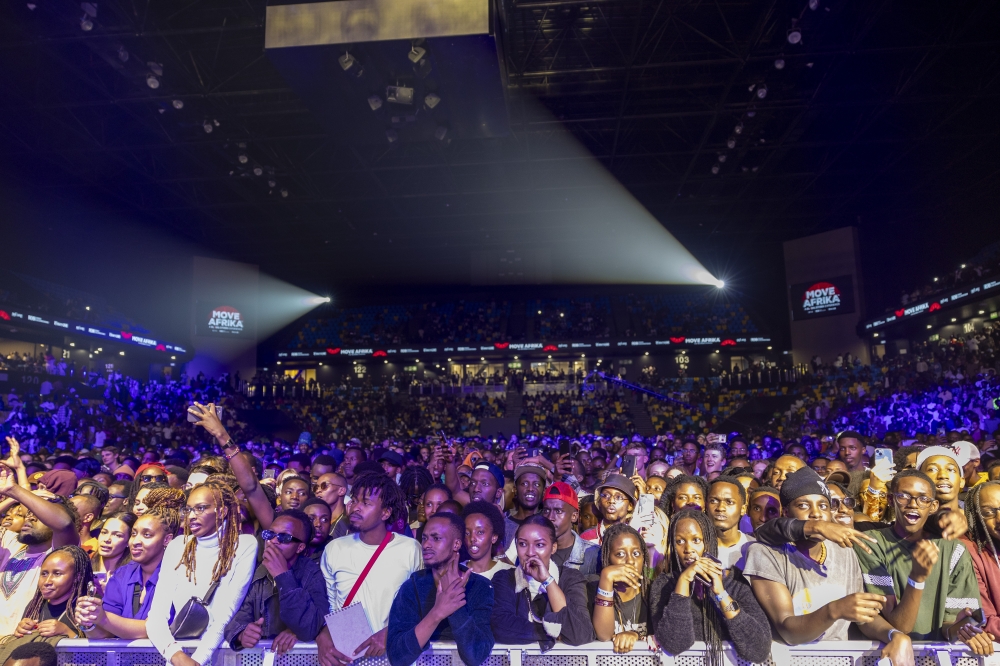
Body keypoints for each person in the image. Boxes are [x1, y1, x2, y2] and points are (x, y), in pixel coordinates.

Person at [743, 467, 912, 665]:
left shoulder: (843, 551)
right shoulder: (766, 553)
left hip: (837, 660)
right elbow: (788, 631)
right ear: (786, 512)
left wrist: (894, 635)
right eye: (804, 505)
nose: (816, 514)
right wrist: (835, 610)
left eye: (823, 506)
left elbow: (862, 616)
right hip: (785, 660)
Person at [854, 470, 987, 651]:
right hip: (885, 655)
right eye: (904, 496)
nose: (913, 504)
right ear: (891, 500)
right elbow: (899, 626)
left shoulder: (954, 549)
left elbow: (950, 627)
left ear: (933, 507)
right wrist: (916, 578)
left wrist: (961, 627)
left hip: (935, 656)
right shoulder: (870, 543)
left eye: (923, 499)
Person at [145, 480, 257, 666]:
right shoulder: (178, 546)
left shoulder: (244, 545)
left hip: (222, 656)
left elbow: (225, 614)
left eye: (201, 508)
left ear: (222, 512)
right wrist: (176, 656)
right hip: (179, 657)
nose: (192, 516)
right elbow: (156, 617)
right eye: (188, 510)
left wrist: (197, 661)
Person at [317, 473, 422, 666]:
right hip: (347, 657)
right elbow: (330, 604)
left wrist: (390, 632)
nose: (356, 507)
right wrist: (323, 634)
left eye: (365, 503)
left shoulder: (410, 549)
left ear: (385, 513)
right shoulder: (335, 548)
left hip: (394, 656)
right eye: (355, 500)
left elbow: (418, 605)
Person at [650, 510, 771, 664]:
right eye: (679, 541)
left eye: (696, 540)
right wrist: (683, 582)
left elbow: (758, 651)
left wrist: (721, 593)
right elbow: (675, 645)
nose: (688, 549)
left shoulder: (736, 582)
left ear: (709, 541)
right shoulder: (663, 585)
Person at [387, 513, 495, 666]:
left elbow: (476, 655)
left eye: (436, 538)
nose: (426, 545)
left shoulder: (480, 587)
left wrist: (454, 606)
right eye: (424, 538)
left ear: (456, 544)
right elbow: (398, 657)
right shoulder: (412, 587)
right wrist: (437, 613)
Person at [224, 511, 328, 654]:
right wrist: (242, 634)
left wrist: (283, 576)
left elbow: (313, 626)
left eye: (284, 537)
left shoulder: (312, 573)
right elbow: (235, 616)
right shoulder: (257, 570)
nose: (273, 541)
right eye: (270, 534)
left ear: (300, 547)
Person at [73, 505, 180, 638]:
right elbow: (108, 633)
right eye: (134, 534)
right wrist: (89, 622)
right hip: (124, 658)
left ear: (167, 540)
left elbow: (154, 629)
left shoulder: (178, 575)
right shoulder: (122, 575)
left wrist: (103, 618)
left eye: (147, 535)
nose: (135, 541)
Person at [490, 515, 593, 649]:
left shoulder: (571, 578)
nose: (530, 552)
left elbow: (580, 633)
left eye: (539, 545)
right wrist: (549, 633)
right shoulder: (504, 578)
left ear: (553, 547)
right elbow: (499, 626)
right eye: (522, 544)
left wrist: (548, 581)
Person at [0, 468, 80, 636]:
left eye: (39, 513)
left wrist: (14, 490)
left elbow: (63, 523)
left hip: (20, 651)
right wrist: (9, 498)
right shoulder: (11, 543)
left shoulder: (60, 553)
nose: (30, 516)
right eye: (28, 511)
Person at [0, 546, 93, 662]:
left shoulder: (86, 605)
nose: (47, 581)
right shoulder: (35, 605)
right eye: (44, 574)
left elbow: (96, 655)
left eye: (57, 574)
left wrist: (66, 632)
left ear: (77, 577)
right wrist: (21, 631)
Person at [591, 523, 651, 653]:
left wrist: (636, 635)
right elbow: (604, 635)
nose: (630, 561)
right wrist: (606, 578)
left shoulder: (653, 591)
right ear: (607, 557)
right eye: (620, 554)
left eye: (636, 553)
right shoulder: (592, 588)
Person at [962, 481, 1000, 646]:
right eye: (988, 512)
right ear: (976, 515)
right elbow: (985, 619)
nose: (999, 519)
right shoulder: (968, 549)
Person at [540, 482, 599, 576]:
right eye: (546, 510)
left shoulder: (594, 555)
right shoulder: (533, 550)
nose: (550, 517)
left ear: (574, 516)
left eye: (558, 511)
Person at [707, 478, 753, 572]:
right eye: (714, 501)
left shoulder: (755, 548)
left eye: (729, 502)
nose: (720, 508)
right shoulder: (696, 547)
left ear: (743, 509)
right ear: (706, 506)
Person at [462, 500, 512, 580]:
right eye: (467, 533)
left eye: (480, 532)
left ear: (494, 537)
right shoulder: (456, 571)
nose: (472, 538)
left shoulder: (509, 573)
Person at [581, 474, 636, 545]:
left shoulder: (635, 536)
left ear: (630, 506)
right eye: (606, 495)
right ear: (600, 502)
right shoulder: (586, 538)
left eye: (618, 497)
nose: (611, 501)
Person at [90, 513, 135, 589]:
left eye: (117, 535)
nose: (107, 539)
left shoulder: (132, 574)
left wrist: (109, 595)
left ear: (129, 541)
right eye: (104, 532)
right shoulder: (86, 564)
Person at [312, 473, 348, 538]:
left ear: (341, 491)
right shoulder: (312, 519)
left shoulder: (351, 520)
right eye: (316, 487)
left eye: (325, 486)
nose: (318, 491)